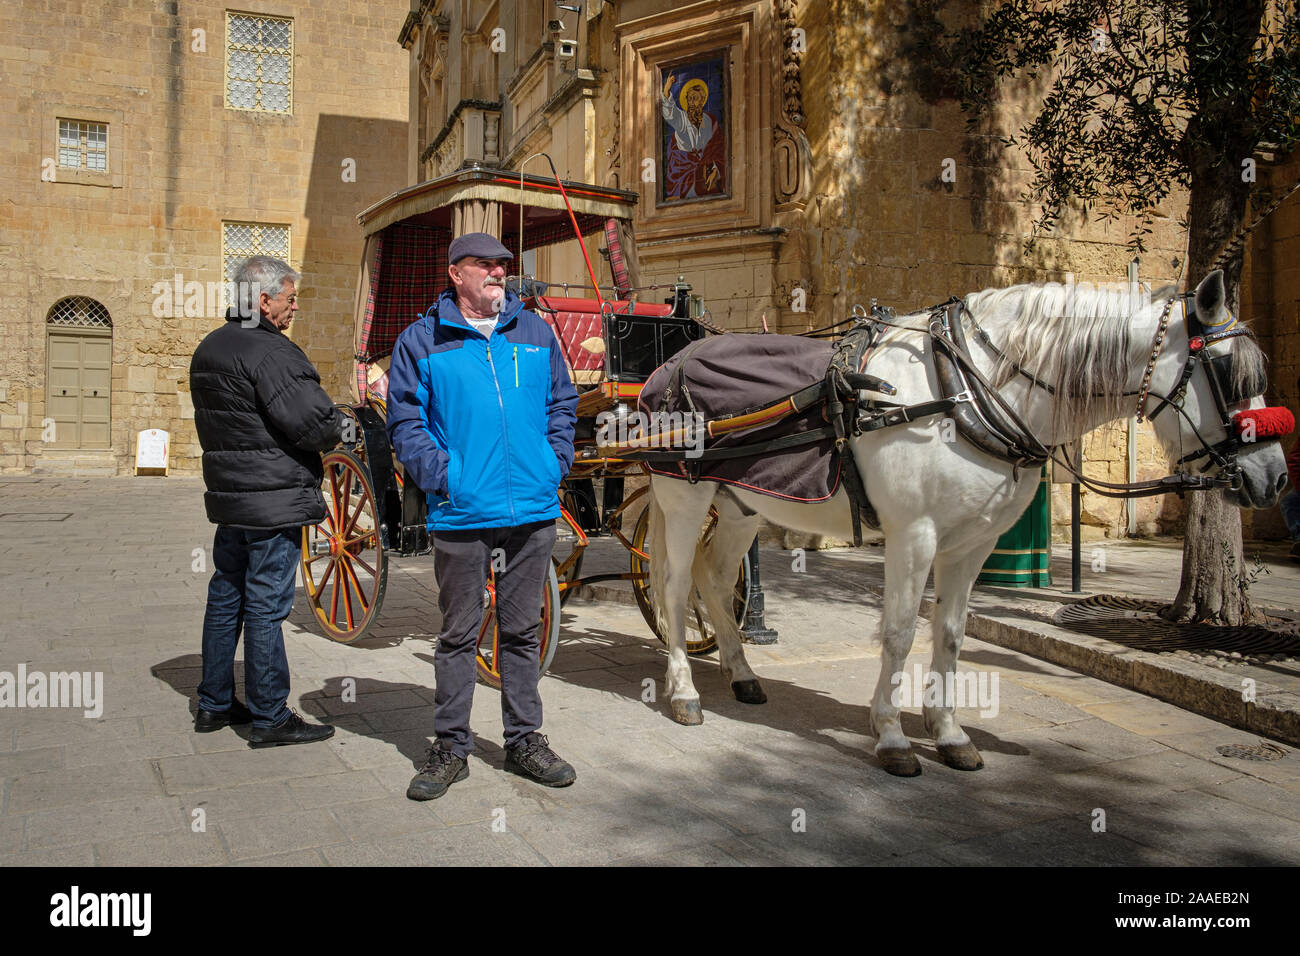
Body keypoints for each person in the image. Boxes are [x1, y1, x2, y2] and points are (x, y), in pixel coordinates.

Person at [387, 232, 579, 800]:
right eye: (485, 265)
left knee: (522, 632)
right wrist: (446, 477)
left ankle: (524, 741)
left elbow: (562, 404)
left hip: (533, 510)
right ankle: (450, 746)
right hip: (464, 512)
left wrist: (554, 462)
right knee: (458, 633)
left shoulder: (535, 332)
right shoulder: (422, 340)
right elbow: (405, 423)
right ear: (455, 273)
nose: (498, 272)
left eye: (503, 265)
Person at [189, 255, 342, 746]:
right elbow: (312, 423)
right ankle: (270, 714)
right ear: (263, 300)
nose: (295, 307)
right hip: (273, 499)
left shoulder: (210, 347)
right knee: (265, 604)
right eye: (290, 298)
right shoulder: (271, 351)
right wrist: (343, 425)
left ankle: (214, 703)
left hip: (233, 498)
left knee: (225, 595)